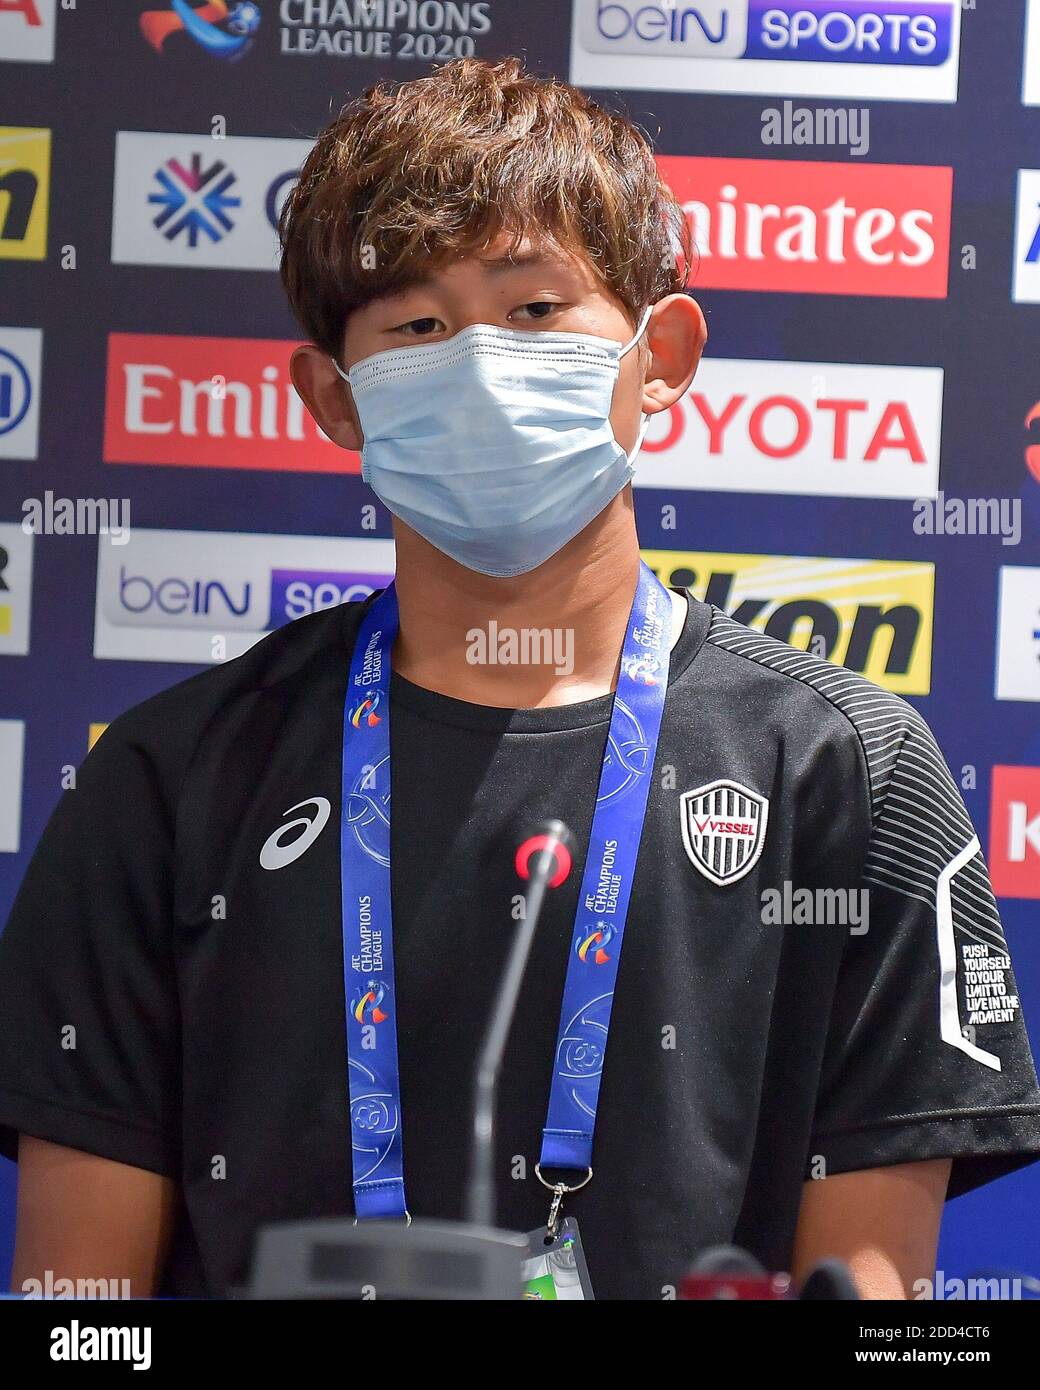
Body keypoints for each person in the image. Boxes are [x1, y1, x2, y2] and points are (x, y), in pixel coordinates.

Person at [2, 57, 1039, 1302]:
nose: (483, 365)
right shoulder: (168, 776)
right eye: (420, 326)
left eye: (536, 310)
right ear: (334, 396)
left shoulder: (843, 764)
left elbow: (872, 1306)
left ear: (662, 354)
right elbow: (79, 1322)